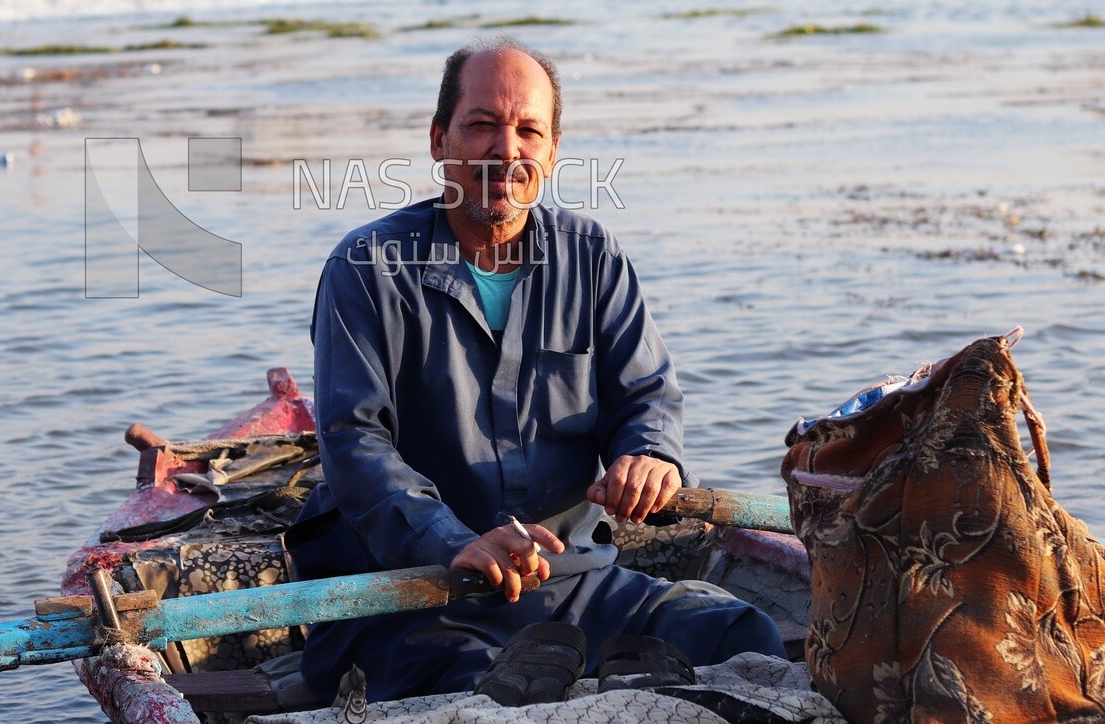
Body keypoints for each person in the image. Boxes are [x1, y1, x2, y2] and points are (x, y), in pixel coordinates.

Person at [287, 38, 784, 703]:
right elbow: (354, 443)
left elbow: (648, 397)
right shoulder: (367, 269)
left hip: (572, 581)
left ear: (551, 152)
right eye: (482, 125)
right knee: (485, 693)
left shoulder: (592, 257)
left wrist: (650, 456)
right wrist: (454, 541)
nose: (506, 150)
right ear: (440, 141)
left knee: (739, 635)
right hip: (409, 597)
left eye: (528, 130)